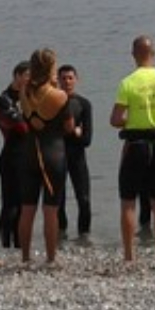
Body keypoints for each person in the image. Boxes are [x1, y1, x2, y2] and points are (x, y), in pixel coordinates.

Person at [110, 35, 155, 265]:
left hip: (136, 146)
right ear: (154, 53)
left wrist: (132, 119)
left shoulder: (128, 82)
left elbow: (116, 119)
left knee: (129, 201)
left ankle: (130, 255)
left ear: (133, 55)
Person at [17, 48, 73, 264]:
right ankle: (51, 257)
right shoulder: (59, 95)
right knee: (51, 209)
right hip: (53, 152)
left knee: (27, 207)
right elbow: (68, 127)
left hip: (29, 152)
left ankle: (25, 256)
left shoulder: (24, 91)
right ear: (51, 67)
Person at [0, 61, 30, 249]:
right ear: (17, 76)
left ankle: (21, 243)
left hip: (28, 157)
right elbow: (22, 127)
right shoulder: (4, 99)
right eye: (27, 76)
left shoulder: (32, 97)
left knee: (26, 205)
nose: (30, 80)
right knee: (11, 205)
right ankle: (6, 245)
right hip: (11, 157)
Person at [57, 64, 93, 237]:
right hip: (57, 156)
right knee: (58, 201)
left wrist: (76, 133)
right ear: (58, 80)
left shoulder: (83, 104)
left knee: (84, 199)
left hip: (77, 156)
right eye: (63, 78)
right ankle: (60, 236)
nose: (67, 82)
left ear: (76, 80)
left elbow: (87, 139)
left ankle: (84, 237)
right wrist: (72, 130)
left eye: (70, 78)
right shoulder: (53, 102)